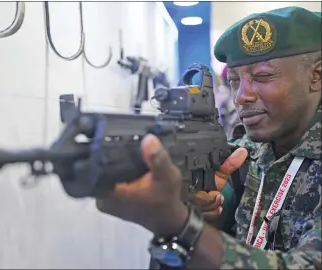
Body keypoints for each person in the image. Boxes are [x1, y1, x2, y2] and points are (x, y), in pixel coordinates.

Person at [94, 6, 321, 269]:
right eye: (235, 81)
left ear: (316, 75)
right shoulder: (243, 154)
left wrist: (180, 225)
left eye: (263, 76)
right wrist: (203, 219)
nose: (241, 97)